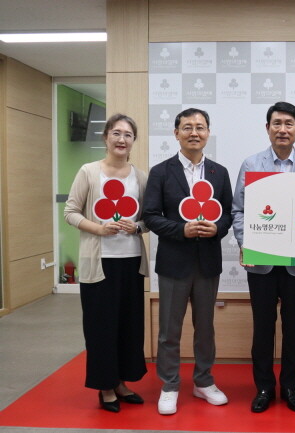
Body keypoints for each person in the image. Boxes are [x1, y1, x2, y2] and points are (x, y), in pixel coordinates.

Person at [142, 108, 233, 415]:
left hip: (208, 262)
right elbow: (151, 216)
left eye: (201, 127)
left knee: (205, 328)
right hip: (173, 263)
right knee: (169, 330)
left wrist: (215, 230)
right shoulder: (161, 172)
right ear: (176, 133)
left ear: (208, 132)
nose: (195, 132)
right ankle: (169, 386)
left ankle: (203, 381)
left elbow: (228, 216)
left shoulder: (219, 173)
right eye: (187, 127)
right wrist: (181, 229)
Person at [232, 101, 295, 413]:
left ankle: (291, 388)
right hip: (262, 263)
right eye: (277, 123)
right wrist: (246, 243)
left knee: (294, 329)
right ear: (267, 127)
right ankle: (265, 388)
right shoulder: (251, 163)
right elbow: (239, 211)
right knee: (263, 328)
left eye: (289, 124)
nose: (283, 129)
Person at [64, 113, 148, 412]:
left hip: (131, 262)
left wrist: (136, 226)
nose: (122, 139)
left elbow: (148, 219)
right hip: (98, 265)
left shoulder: (140, 176)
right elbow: (71, 212)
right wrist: (98, 229)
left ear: (133, 141)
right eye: (116, 133)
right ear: (106, 138)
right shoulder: (89, 172)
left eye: (128, 134)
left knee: (129, 326)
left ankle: (122, 382)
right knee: (101, 327)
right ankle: (105, 387)